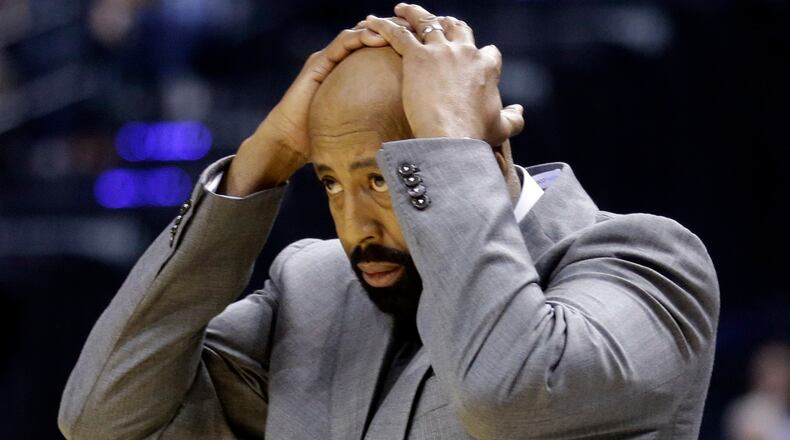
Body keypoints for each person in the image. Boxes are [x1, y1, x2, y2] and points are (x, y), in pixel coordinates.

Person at [58, 4, 720, 439]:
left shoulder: (648, 263)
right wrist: (252, 172)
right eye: (331, 183)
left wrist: (446, 146)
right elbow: (102, 418)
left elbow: (506, 391)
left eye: (384, 178)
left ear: (481, 153)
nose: (355, 225)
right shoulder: (310, 290)